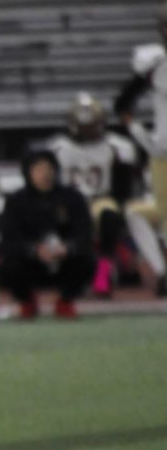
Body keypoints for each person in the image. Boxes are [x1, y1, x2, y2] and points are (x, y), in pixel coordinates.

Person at [47, 92, 151, 298]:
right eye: (84, 125)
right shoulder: (57, 148)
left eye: (92, 124)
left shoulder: (116, 146)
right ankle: (67, 275)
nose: (88, 130)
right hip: (69, 201)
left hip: (101, 198)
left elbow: (125, 187)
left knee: (109, 216)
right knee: (57, 217)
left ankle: (102, 274)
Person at [0, 148, 94, 318]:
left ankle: (65, 300)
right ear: (28, 172)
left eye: (48, 169)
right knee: (8, 266)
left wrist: (67, 248)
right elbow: (9, 240)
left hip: (64, 260)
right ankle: (26, 300)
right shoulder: (15, 202)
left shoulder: (72, 198)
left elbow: (84, 234)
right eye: (39, 169)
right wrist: (34, 250)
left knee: (87, 261)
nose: (45, 174)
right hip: (31, 263)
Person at [115, 2, 167, 288]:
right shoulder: (157, 66)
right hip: (164, 156)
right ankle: (161, 274)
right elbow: (123, 102)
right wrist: (143, 136)